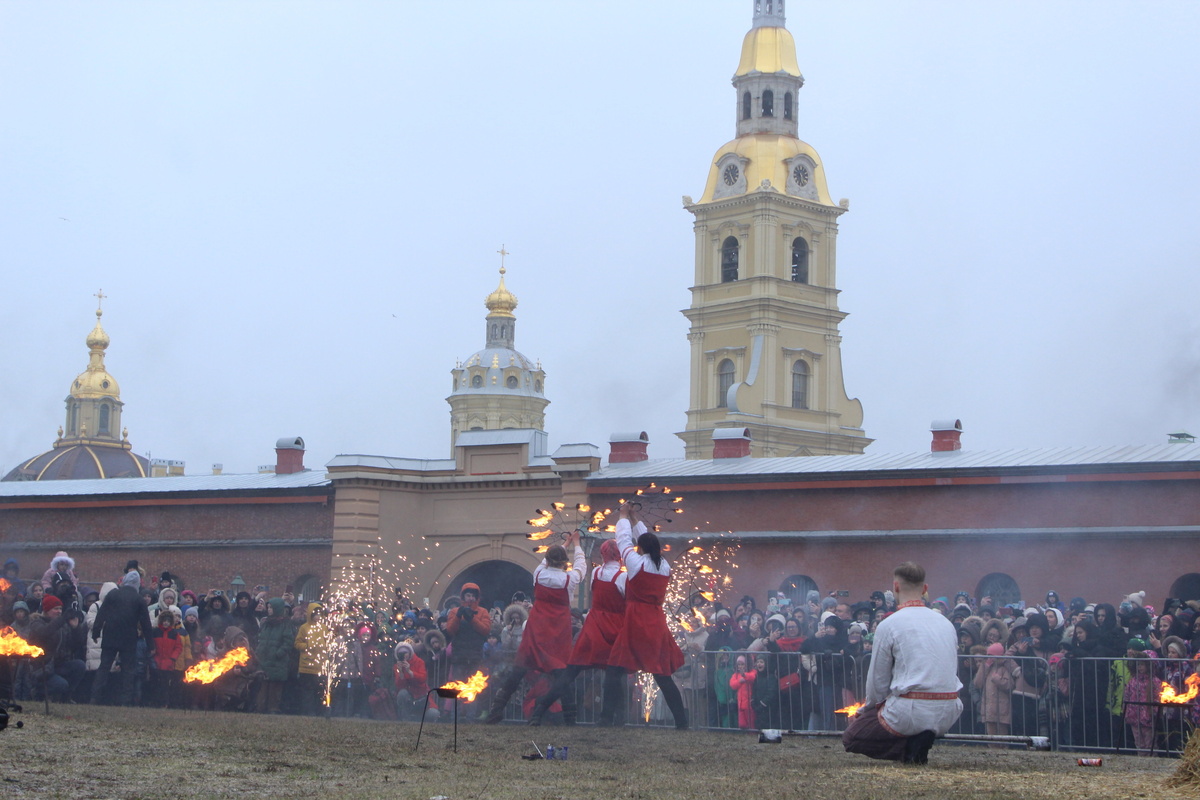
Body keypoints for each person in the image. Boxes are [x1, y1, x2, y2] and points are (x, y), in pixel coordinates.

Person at [843, 562, 962, 764]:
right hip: (950, 710)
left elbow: (877, 682)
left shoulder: (889, 624)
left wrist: (868, 710)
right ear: (925, 589)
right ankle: (919, 742)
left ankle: (910, 748)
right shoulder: (946, 623)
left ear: (896, 587)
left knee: (852, 737)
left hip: (911, 710)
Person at [486, 531, 585, 724]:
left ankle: (496, 710)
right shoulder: (568, 579)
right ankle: (569, 718)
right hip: (557, 631)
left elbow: (545, 561)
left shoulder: (538, 574)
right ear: (564, 562)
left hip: (536, 628)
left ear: (547, 560)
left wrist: (564, 543)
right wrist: (577, 544)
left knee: (519, 670)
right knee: (562, 675)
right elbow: (581, 568)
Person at [527, 537, 628, 726]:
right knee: (614, 674)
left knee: (571, 672)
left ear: (603, 554)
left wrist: (569, 544)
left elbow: (590, 586)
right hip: (614, 628)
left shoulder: (597, 572)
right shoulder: (623, 577)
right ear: (620, 555)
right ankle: (610, 719)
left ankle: (540, 710)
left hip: (594, 627)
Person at [606, 503, 689, 729]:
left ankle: (608, 718)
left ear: (640, 549)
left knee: (615, 669)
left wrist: (623, 516)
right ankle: (682, 722)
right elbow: (647, 539)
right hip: (656, 621)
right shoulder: (665, 565)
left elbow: (623, 541)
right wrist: (635, 518)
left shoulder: (635, 562)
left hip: (636, 620)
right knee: (662, 675)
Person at [90, 570, 156, 706]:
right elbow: (146, 624)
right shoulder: (139, 599)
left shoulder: (112, 594)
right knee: (128, 671)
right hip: (128, 639)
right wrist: (151, 645)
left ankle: (95, 698)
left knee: (104, 667)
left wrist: (96, 632)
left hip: (110, 636)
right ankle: (125, 701)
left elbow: (101, 614)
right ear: (137, 584)